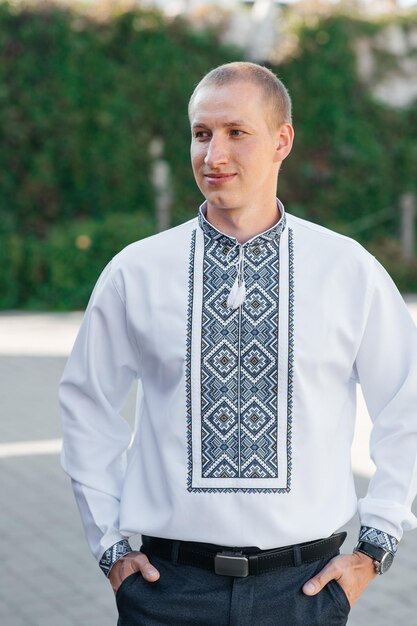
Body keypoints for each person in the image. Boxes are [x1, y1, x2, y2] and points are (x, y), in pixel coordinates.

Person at [60, 62, 417, 626]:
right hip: (166, 591)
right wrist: (109, 547)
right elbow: (86, 404)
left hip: (306, 593)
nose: (213, 155)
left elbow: (405, 404)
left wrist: (375, 548)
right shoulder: (138, 271)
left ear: (282, 140)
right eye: (201, 134)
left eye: (235, 132)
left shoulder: (346, 270)